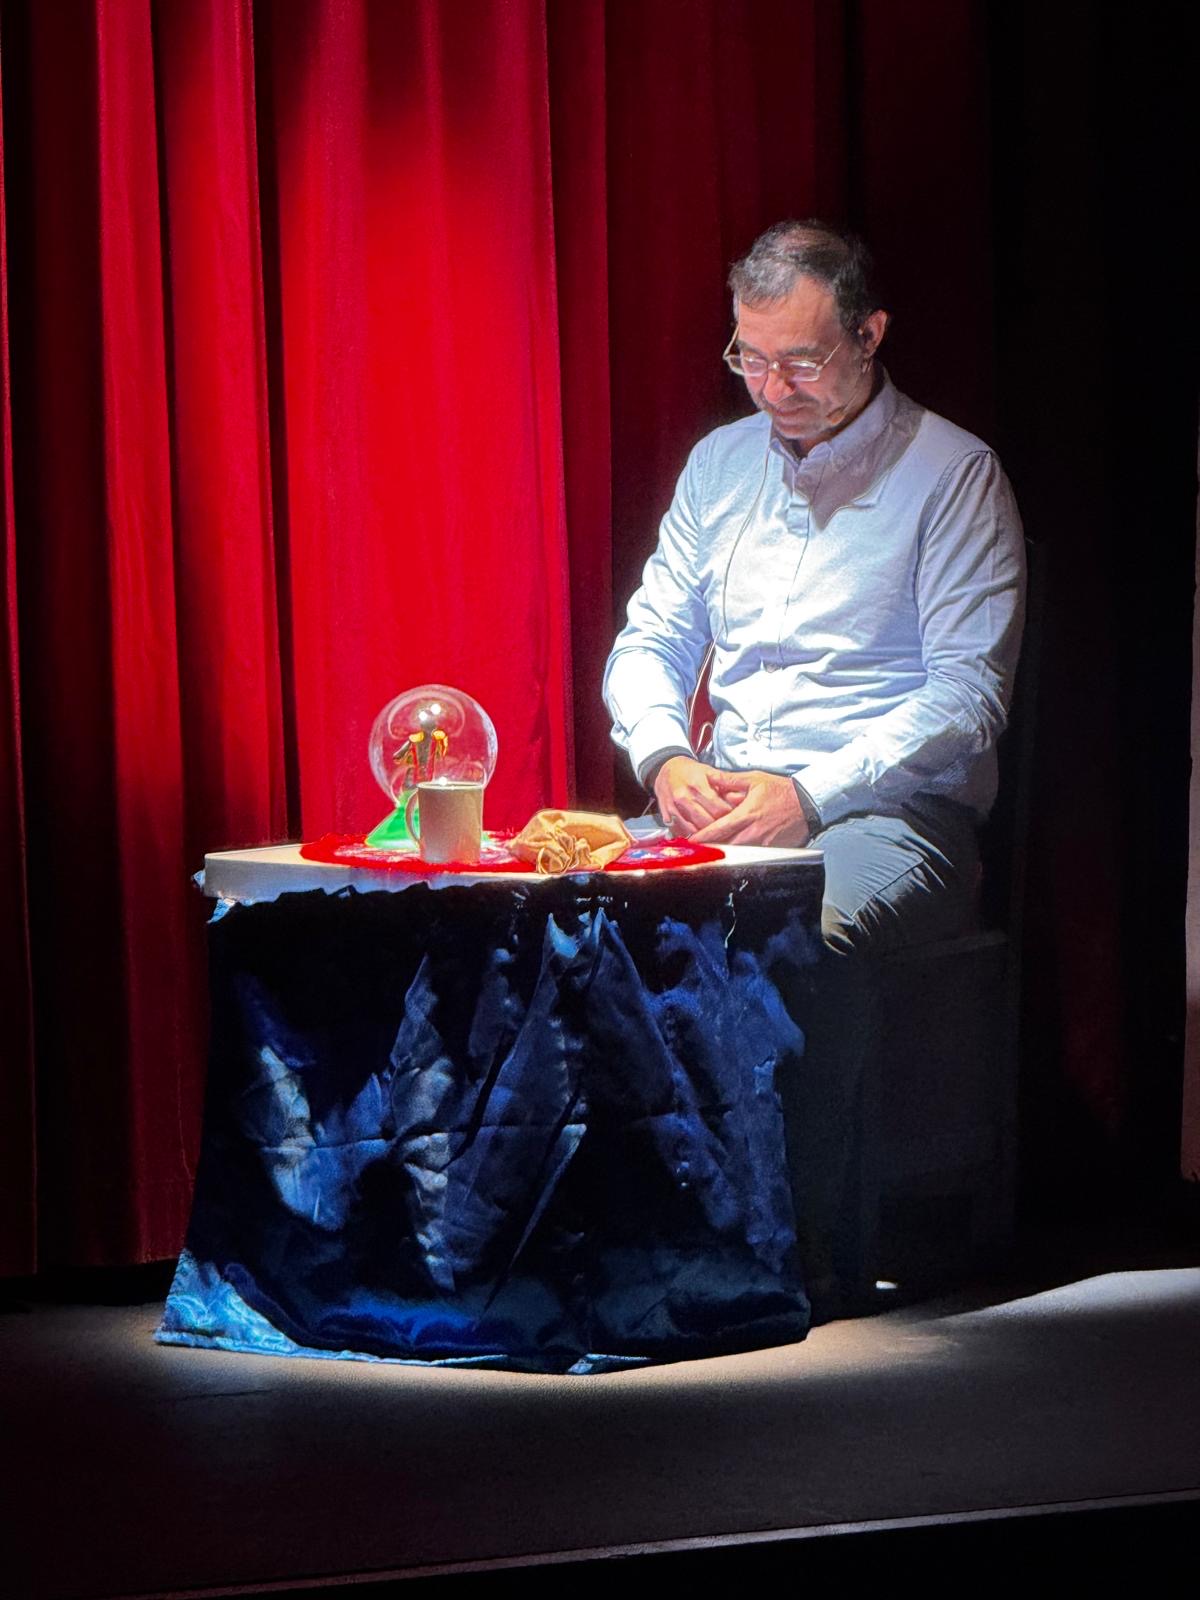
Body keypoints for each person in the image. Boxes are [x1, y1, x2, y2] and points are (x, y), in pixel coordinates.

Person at [603, 220, 1026, 955]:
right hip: (731, 807)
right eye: (751, 358)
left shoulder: (954, 475)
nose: (772, 389)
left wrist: (807, 795)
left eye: (800, 361)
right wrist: (666, 757)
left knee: (785, 933)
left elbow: (966, 695)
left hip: (889, 818)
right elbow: (651, 641)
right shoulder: (720, 465)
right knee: (573, 915)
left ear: (868, 336)